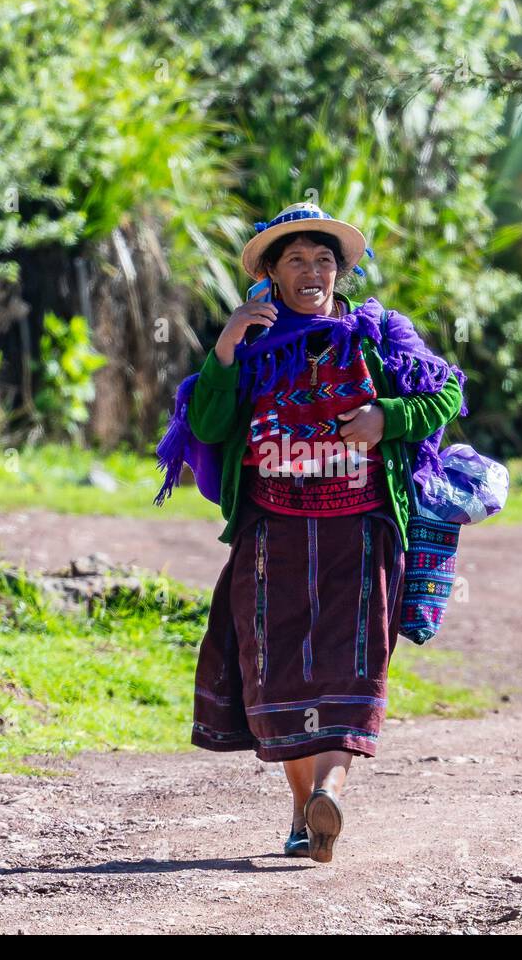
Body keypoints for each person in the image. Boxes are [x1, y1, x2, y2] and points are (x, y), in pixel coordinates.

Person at [154, 202, 466, 863]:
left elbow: (443, 396)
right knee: (275, 678)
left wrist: (387, 415)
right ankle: (306, 812)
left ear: (341, 271)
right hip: (273, 537)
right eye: (295, 259)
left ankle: (328, 791)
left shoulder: (378, 335)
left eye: (324, 260)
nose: (312, 271)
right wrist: (228, 344)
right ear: (269, 273)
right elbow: (207, 426)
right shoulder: (248, 348)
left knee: (352, 670)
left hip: (360, 534)